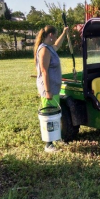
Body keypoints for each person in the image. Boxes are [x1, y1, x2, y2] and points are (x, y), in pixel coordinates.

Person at [34, 25, 68, 153]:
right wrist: (47, 91)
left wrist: (64, 33)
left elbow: (57, 45)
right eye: (56, 34)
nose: (56, 38)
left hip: (54, 88)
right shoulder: (44, 50)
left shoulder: (50, 48)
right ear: (51, 35)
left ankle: (55, 137)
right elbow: (44, 71)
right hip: (49, 89)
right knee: (49, 115)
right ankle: (48, 144)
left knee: (55, 114)